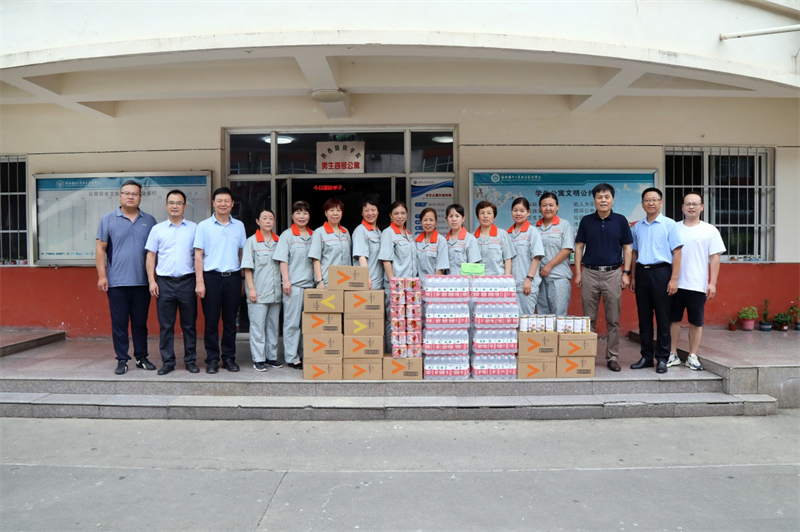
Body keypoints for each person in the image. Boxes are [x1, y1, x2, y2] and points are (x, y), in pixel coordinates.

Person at [96, 179, 158, 375]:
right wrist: (102, 276)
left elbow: (154, 252)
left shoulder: (150, 221)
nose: (131, 197)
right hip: (117, 282)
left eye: (135, 193)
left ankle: (141, 357)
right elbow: (100, 249)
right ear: (120, 196)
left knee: (140, 323)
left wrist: (153, 279)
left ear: (140, 197)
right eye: (127, 193)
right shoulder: (108, 219)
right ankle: (122, 359)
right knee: (119, 323)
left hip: (142, 282)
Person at [574, 183, 633, 373]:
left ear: (613, 199)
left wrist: (626, 273)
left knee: (613, 319)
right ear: (594, 200)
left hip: (613, 273)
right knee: (588, 318)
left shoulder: (620, 221)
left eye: (607, 197)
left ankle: (612, 357)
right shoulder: (586, 221)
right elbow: (579, 247)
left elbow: (627, 248)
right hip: (589, 273)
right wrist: (578, 272)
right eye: (599, 197)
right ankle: (588, 356)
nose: (603, 200)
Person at [144, 189, 198, 375]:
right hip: (164, 283)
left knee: (189, 325)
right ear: (166, 206)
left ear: (184, 206)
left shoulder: (194, 228)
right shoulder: (157, 229)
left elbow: (200, 256)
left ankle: (190, 360)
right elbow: (151, 256)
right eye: (172, 203)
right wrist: (152, 281)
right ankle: (168, 362)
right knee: (166, 325)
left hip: (188, 282)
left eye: (179, 203)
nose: (175, 206)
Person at [629, 187, 683, 374]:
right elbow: (634, 253)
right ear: (642, 204)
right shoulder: (637, 226)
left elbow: (677, 253)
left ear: (661, 202)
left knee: (663, 318)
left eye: (654, 199)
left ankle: (662, 358)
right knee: (644, 318)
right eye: (647, 200)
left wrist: (674, 278)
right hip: (642, 274)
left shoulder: (669, 224)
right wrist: (633, 277)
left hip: (662, 273)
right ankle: (646, 356)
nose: (650, 203)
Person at [667, 192, 723, 371]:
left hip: (697, 284)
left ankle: (692, 355)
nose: (691, 207)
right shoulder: (673, 228)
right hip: (675, 283)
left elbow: (714, 257)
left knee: (696, 322)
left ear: (702, 207)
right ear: (682, 207)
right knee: (673, 320)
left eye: (695, 204)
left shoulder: (710, 230)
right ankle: (673, 354)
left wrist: (712, 283)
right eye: (688, 204)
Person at [193, 187, 246, 374]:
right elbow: (198, 255)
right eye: (219, 201)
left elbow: (242, 253)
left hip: (233, 278)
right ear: (214, 203)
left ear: (232, 204)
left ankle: (229, 358)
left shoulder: (239, 226)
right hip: (211, 278)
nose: (223, 204)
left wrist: (242, 280)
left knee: (231, 321)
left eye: (226, 201)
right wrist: (200, 282)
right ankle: (212, 359)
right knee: (211, 322)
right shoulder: (203, 226)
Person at [241, 207, 283, 372]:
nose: (268, 221)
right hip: (258, 292)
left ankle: (271, 357)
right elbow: (247, 268)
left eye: (270, 218)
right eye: (264, 218)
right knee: (257, 327)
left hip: (275, 293)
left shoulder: (279, 241)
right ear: (258, 221)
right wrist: (251, 289)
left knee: (273, 326)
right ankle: (259, 359)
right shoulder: (251, 242)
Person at [274, 201, 314, 370]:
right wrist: (286, 281)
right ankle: (292, 357)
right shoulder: (287, 235)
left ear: (309, 216)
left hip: (311, 286)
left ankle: (307, 354)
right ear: (292, 216)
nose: (301, 216)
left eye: (305, 213)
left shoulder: (314, 235)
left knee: (309, 324)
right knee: (292, 323)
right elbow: (283, 260)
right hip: (294, 286)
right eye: (298, 213)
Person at [380, 201, 418, 350]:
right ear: (390, 216)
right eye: (396, 213)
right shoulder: (388, 233)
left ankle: (403, 352)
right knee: (394, 320)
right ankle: (391, 353)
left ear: (407, 215)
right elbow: (386, 260)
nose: (400, 216)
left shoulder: (408, 234)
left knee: (407, 321)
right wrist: (393, 284)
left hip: (410, 286)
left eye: (402, 213)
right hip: (396, 286)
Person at [535, 192, 575, 317]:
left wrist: (549, 266)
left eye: (551, 205)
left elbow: (567, 248)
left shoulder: (564, 225)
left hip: (558, 277)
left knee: (559, 315)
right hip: (540, 279)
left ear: (557, 207)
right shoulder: (535, 228)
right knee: (542, 316)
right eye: (544, 205)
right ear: (540, 207)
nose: (548, 208)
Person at [507, 198, 544, 315]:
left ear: (528, 212)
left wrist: (529, 279)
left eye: (522, 211)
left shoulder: (533, 232)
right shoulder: (507, 234)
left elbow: (537, 257)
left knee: (526, 320)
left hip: (526, 285)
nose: (518, 213)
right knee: (512, 319)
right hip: (511, 285)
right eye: (515, 210)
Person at [309, 198, 352, 288]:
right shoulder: (319, 233)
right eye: (331, 210)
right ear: (326, 213)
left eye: (338, 210)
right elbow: (316, 259)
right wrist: (320, 281)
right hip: (328, 282)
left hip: (346, 281)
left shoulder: (345, 232)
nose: (335, 213)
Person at [352, 195, 384, 291]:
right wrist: (366, 278)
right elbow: (361, 256)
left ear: (378, 211)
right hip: (368, 284)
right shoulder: (360, 230)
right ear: (362, 213)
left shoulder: (379, 232)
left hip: (379, 283)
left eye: (373, 210)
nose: (370, 213)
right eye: (366, 210)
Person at [474, 200, 515, 275]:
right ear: (477, 217)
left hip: (498, 279)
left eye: (489, 213)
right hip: (478, 279)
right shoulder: (472, 237)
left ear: (494, 217)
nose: (485, 216)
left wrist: (506, 277)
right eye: (482, 213)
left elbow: (508, 258)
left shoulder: (502, 234)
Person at [415, 207, 449, 285]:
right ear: (421, 222)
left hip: (434, 285)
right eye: (425, 220)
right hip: (418, 286)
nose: (428, 223)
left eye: (431, 220)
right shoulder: (416, 240)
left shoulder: (441, 240)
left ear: (435, 222)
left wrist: (431, 285)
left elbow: (441, 268)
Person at [444, 204, 481, 275]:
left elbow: (474, 266)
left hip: (465, 280)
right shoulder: (444, 241)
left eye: (457, 216)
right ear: (447, 219)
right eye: (450, 216)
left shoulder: (470, 239)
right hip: (448, 280)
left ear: (463, 218)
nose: (454, 219)